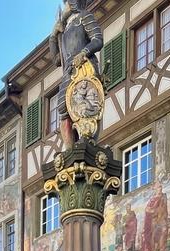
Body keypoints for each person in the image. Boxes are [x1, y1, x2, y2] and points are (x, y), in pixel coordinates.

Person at [49, 0, 103, 148]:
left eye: (67, 1)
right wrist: (54, 35)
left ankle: (89, 143)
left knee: (89, 104)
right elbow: (57, 60)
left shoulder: (84, 16)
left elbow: (98, 39)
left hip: (84, 66)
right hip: (69, 71)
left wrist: (84, 52)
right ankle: (69, 149)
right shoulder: (65, 30)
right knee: (63, 108)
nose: (65, 5)